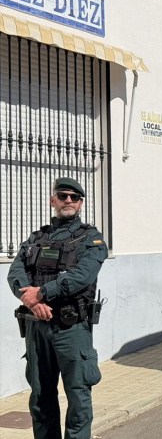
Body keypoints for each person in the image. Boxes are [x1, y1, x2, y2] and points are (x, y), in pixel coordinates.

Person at [7, 177, 108, 439]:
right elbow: (16, 272)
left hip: (71, 328)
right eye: (63, 196)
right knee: (40, 396)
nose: (68, 201)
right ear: (53, 201)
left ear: (81, 204)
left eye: (74, 198)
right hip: (36, 327)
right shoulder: (37, 238)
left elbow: (82, 275)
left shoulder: (91, 239)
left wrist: (41, 293)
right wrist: (33, 301)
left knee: (78, 396)